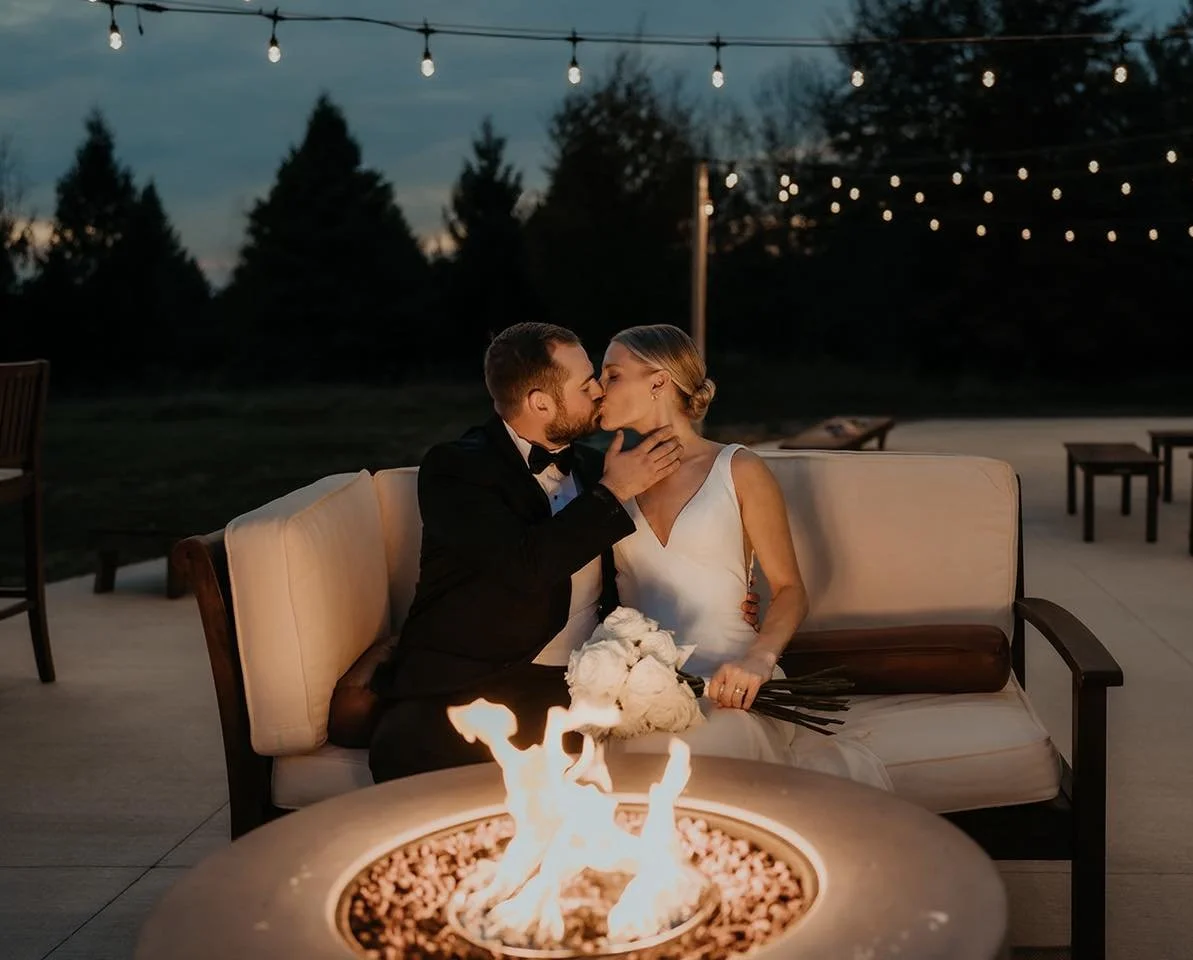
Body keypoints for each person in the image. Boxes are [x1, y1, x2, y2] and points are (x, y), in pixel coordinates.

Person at [368, 322, 758, 782]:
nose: (599, 391)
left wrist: (726, 598)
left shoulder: (596, 466)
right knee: (406, 752)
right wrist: (613, 492)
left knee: (640, 768)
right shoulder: (457, 469)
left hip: (578, 681)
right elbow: (525, 566)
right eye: (586, 383)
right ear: (540, 403)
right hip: (473, 679)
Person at [598, 323, 892, 791]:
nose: (598, 388)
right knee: (623, 768)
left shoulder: (737, 468)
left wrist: (759, 659)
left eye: (612, 375)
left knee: (702, 754)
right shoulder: (609, 480)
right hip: (642, 691)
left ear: (658, 381)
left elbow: (791, 590)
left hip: (733, 682)